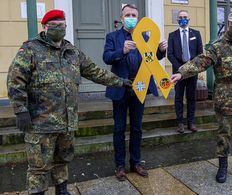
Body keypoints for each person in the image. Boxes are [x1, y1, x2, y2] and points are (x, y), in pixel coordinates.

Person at [7, 9, 132, 195]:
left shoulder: (72, 52)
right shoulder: (30, 49)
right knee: (38, 167)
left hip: (67, 122)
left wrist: (120, 82)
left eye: (62, 25)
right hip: (40, 123)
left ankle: (62, 190)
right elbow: (15, 80)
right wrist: (20, 110)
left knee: (63, 160)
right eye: (54, 25)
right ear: (45, 26)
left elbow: (95, 72)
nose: (59, 28)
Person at [171, 11, 232, 183]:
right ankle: (223, 166)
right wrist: (181, 73)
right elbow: (200, 62)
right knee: (223, 134)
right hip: (225, 99)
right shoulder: (217, 46)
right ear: (228, 25)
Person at [103, 4, 167, 181]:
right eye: (128, 15)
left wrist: (161, 51)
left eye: (134, 15)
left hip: (140, 88)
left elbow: (153, 58)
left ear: (138, 18)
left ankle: (136, 162)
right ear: (122, 18)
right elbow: (106, 57)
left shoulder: (145, 37)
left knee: (137, 128)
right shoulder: (112, 37)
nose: (131, 17)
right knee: (119, 129)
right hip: (120, 88)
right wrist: (122, 50)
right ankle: (120, 166)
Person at [167, 10, 203, 133]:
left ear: (189, 19)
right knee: (178, 97)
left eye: (185, 17)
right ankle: (180, 123)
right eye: (180, 17)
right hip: (177, 72)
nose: (183, 19)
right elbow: (170, 54)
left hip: (192, 71)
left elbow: (200, 54)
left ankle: (191, 122)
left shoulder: (196, 34)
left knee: (191, 97)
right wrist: (181, 69)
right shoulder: (172, 35)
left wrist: (190, 68)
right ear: (177, 20)